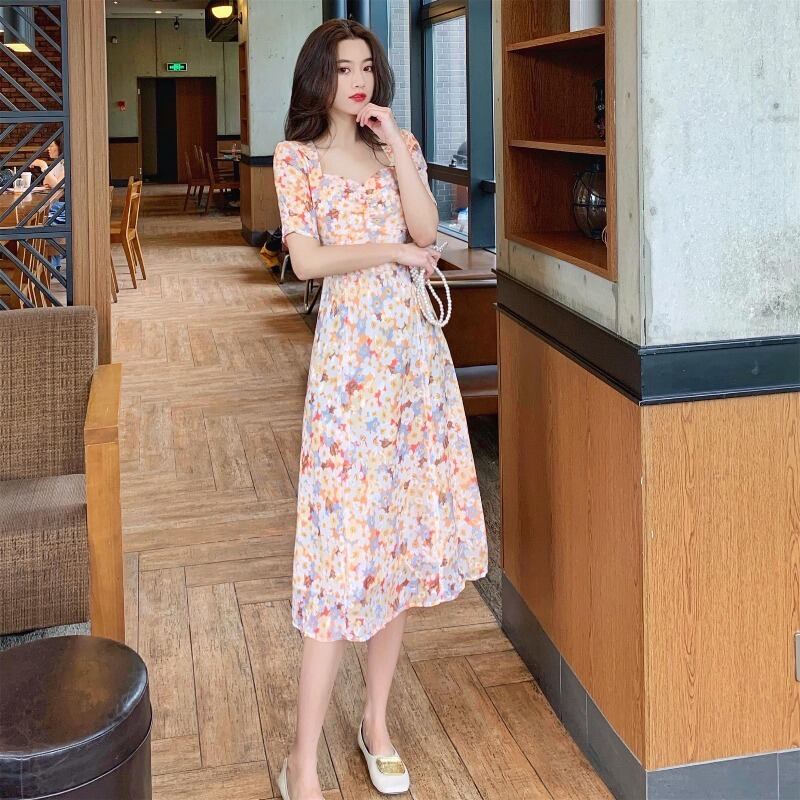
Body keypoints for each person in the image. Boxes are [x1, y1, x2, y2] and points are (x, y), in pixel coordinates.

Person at [272, 18, 488, 800]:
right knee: (339, 557)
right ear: (317, 76)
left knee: (394, 547)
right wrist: (393, 252)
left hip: (414, 370)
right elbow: (307, 260)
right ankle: (301, 763)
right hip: (349, 375)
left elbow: (428, 228)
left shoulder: (401, 147)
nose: (358, 80)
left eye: (367, 66)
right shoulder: (296, 158)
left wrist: (396, 145)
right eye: (342, 68)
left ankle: (376, 724)